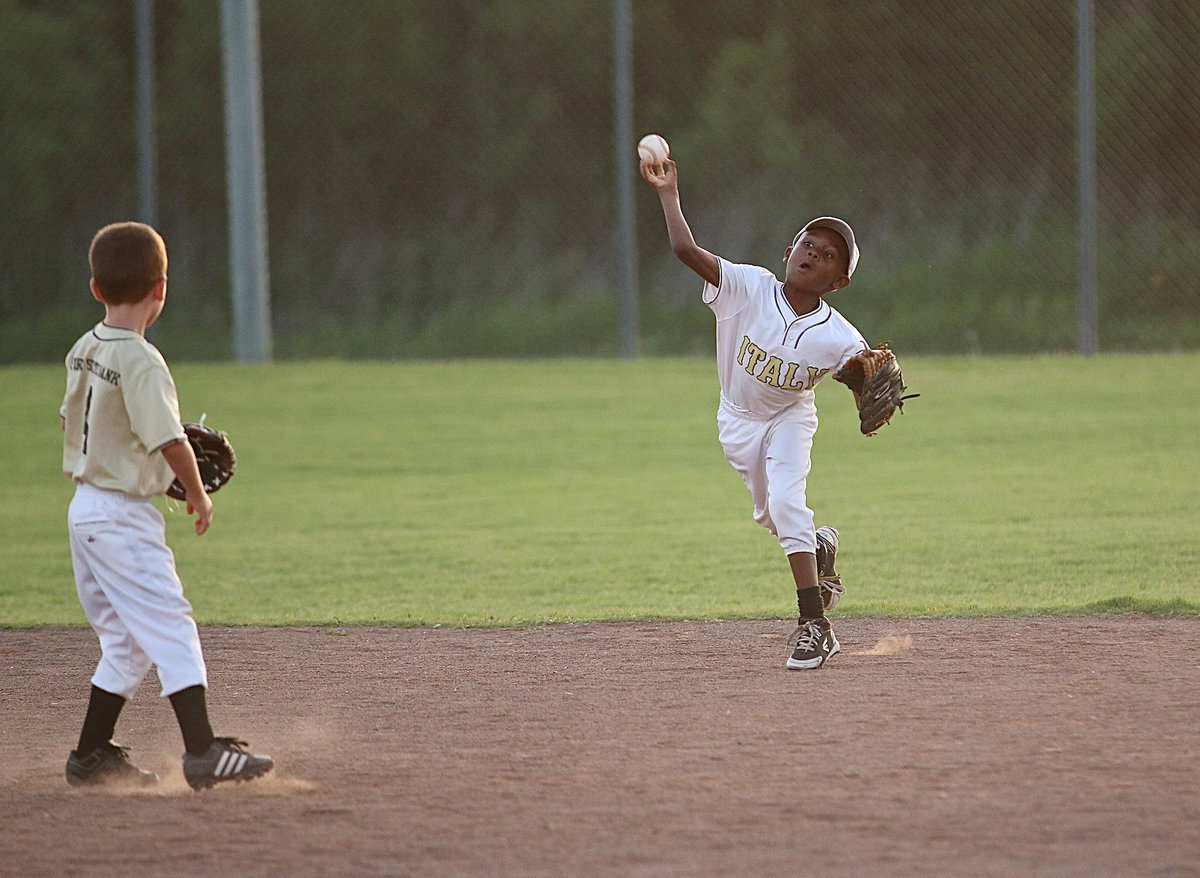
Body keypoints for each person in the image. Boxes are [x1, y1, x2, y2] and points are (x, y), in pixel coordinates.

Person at [60, 221, 274, 788]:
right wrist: (197, 493)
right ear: (161, 289)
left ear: (95, 288)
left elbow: (80, 419)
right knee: (173, 626)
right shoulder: (142, 359)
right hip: (121, 517)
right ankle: (202, 750)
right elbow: (172, 441)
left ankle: (90, 756)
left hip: (85, 510)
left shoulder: (84, 348)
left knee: (127, 642)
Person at [641, 155, 867, 669]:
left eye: (829, 255)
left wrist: (870, 391)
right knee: (772, 517)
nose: (814, 253)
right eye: (808, 244)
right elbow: (683, 249)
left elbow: (864, 376)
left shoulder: (840, 336)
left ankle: (815, 624)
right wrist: (668, 193)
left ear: (838, 282)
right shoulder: (748, 286)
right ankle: (819, 546)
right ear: (789, 252)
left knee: (788, 505)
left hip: (790, 418)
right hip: (737, 422)